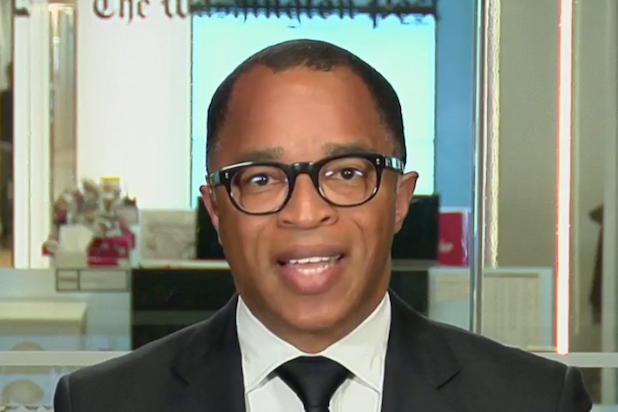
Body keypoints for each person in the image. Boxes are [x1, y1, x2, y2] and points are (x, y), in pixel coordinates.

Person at [54, 39, 591, 412]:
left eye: (347, 173)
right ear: (216, 211)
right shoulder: (103, 404)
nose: (306, 212)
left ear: (400, 200)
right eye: (261, 179)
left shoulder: (533, 401)